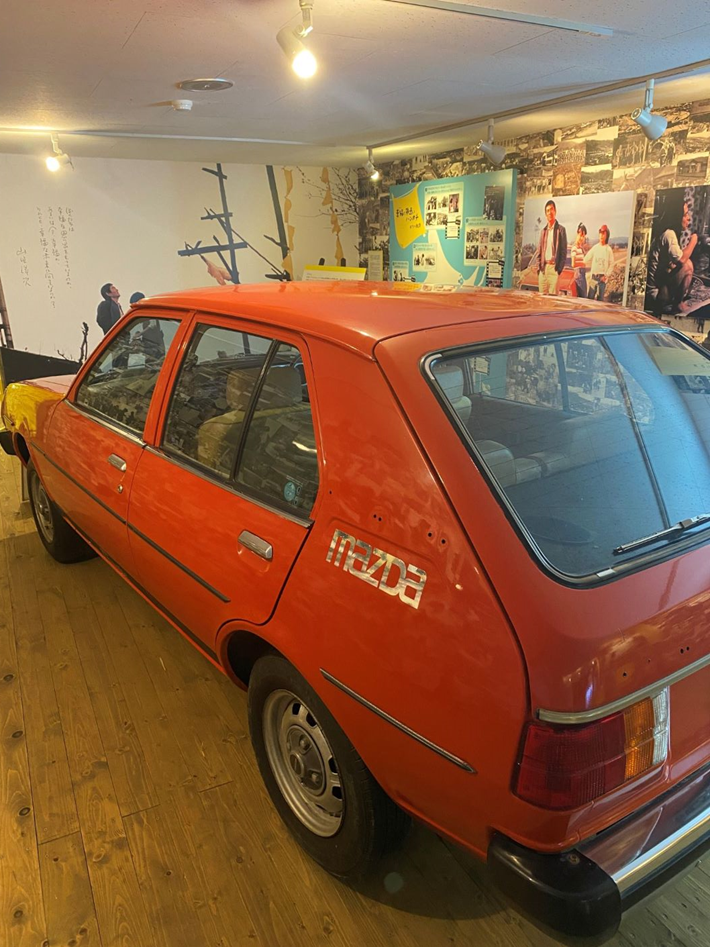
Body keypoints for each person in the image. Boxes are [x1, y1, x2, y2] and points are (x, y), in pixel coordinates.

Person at [645, 202, 698, 316]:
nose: (688, 218)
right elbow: (682, 260)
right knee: (687, 265)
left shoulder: (667, 233)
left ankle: (675, 302)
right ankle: (677, 303)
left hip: (658, 289)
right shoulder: (669, 234)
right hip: (657, 294)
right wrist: (693, 241)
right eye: (685, 214)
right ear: (676, 216)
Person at [537, 200, 567, 295]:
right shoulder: (543, 231)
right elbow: (539, 251)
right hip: (543, 269)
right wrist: (539, 268)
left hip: (554, 269)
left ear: (555, 211)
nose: (550, 212)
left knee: (552, 299)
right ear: (545, 214)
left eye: (551, 209)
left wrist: (558, 270)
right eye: (547, 210)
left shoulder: (561, 230)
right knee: (541, 299)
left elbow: (563, 252)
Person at [585, 225, 615, 301]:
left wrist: (606, 275)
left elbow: (612, 264)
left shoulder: (608, 249)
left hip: (602, 280)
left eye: (604, 234)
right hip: (593, 278)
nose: (601, 236)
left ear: (607, 236)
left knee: (600, 301)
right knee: (589, 300)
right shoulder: (595, 248)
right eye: (600, 233)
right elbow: (586, 258)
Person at [570, 223, 589, 298]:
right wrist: (582, 264)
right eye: (581, 235)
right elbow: (573, 264)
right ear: (577, 234)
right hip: (579, 273)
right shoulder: (574, 248)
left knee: (583, 297)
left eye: (583, 236)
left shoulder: (581, 249)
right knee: (583, 298)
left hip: (582, 274)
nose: (582, 238)